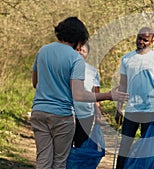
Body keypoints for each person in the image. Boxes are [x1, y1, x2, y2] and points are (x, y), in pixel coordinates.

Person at [31, 17, 128, 169]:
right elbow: (79, 95)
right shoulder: (76, 58)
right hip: (62, 116)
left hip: (39, 112)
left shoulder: (42, 51)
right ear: (79, 38)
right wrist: (108, 95)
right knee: (59, 162)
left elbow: (35, 83)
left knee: (43, 159)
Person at [115, 27, 154, 169]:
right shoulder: (126, 59)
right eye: (139, 38)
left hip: (150, 108)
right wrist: (119, 108)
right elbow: (123, 85)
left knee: (148, 147)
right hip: (131, 108)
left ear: (151, 41)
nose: (141, 42)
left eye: (145, 40)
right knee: (125, 144)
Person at [72, 42, 102, 148]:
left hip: (86, 113)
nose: (80, 52)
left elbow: (96, 93)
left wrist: (98, 112)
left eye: (83, 51)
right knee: (66, 144)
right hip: (69, 111)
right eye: (78, 49)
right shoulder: (67, 67)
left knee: (81, 143)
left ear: (87, 54)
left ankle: (77, 164)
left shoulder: (92, 71)